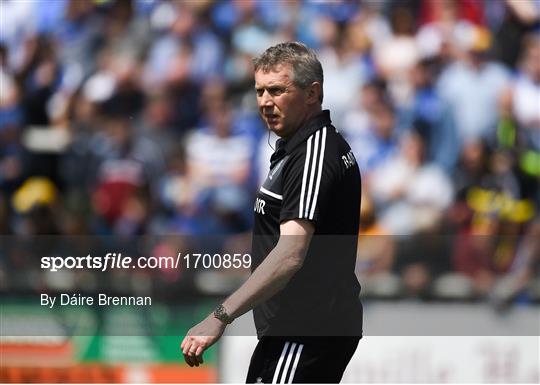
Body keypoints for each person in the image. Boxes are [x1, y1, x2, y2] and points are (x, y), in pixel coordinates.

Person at [181, 41, 363, 383]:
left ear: (312, 93)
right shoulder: (294, 146)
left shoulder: (314, 153)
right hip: (293, 329)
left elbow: (291, 253)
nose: (265, 102)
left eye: (277, 90)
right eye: (260, 91)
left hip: (307, 330)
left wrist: (220, 316)